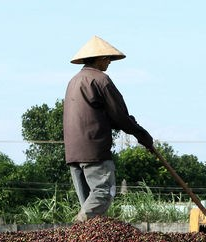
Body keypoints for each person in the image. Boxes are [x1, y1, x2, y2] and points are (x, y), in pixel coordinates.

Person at [63, 35, 154, 222]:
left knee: (89, 203)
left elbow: (95, 114)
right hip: (93, 150)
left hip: (73, 152)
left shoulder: (74, 81)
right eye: (107, 59)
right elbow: (119, 115)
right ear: (99, 58)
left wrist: (119, 123)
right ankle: (75, 230)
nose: (109, 62)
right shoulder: (101, 80)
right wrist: (141, 134)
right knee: (104, 192)